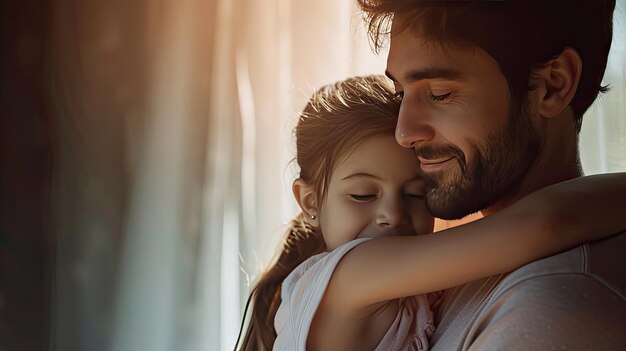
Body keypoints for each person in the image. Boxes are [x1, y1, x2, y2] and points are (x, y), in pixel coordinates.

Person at [235, 75, 626, 350]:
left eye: (416, 194)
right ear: (310, 203)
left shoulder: (408, 289)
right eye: (362, 194)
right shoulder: (348, 275)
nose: (392, 214)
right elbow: (544, 224)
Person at [356, 0, 626, 350]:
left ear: (552, 85)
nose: (404, 132)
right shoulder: (448, 271)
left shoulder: (549, 311)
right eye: (400, 95)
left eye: (440, 94)